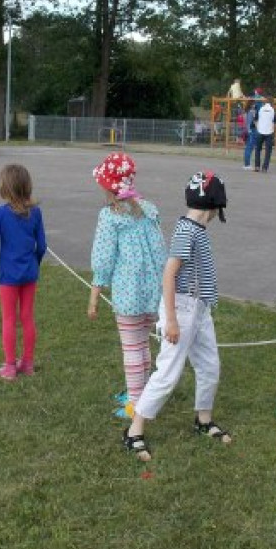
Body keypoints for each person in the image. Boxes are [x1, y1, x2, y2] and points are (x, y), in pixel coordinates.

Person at [123, 170, 233, 462]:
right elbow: (169, 275)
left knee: (210, 365)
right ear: (214, 206)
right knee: (168, 372)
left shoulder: (196, 230)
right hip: (181, 309)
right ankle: (134, 431)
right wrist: (170, 319)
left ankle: (204, 420)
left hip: (199, 308)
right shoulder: (187, 231)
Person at [88, 153, 167, 418]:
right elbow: (160, 250)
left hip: (130, 293)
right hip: (154, 291)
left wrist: (95, 294)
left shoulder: (110, 216)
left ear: (108, 185)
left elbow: (103, 258)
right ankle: (142, 392)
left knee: (132, 348)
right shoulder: (149, 209)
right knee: (143, 343)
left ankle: (135, 404)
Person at [0, 164, 47, 379]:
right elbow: (41, 246)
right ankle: (28, 363)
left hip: (8, 275)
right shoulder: (36, 212)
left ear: (5, 188)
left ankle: (10, 367)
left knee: (8, 319)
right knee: (27, 317)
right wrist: (35, 263)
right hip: (29, 273)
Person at [253, 96, 276, 172]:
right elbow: (275, 123)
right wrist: (273, 131)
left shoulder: (260, 109)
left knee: (258, 149)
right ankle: (265, 167)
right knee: (268, 151)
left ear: (264, 102)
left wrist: (258, 128)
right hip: (269, 132)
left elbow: (255, 120)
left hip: (260, 131)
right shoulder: (273, 110)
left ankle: (257, 166)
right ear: (272, 102)